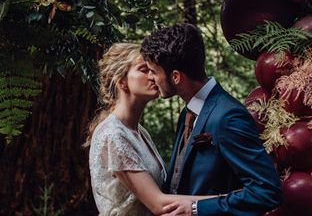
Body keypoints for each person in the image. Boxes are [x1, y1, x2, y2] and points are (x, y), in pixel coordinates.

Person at [140, 23, 282, 216]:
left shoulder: (228, 116)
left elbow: (266, 192)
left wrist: (196, 209)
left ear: (175, 76)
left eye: (153, 71)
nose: (150, 78)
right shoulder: (187, 114)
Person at [87, 43, 217, 215]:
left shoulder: (140, 132)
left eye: (152, 69)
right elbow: (159, 203)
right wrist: (232, 200)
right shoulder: (113, 134)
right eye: (144, 69)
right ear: (122, 82)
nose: (153, 76)